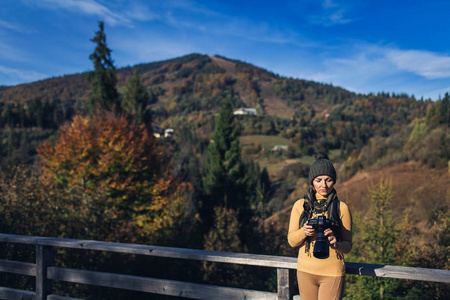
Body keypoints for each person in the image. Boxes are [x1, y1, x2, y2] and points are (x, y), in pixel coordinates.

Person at [287, 152, 352, 300]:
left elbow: (348, 246)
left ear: (334, 181)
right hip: (305, 270)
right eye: (319, 180)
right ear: (312, 181)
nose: (324, 185)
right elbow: (291, 241)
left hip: (332, 272)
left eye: (328, 180)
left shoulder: (341, 208)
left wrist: (336, 244)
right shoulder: (300, 205)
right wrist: (304, 232)